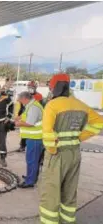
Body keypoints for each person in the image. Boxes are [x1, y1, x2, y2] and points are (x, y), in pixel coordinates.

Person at [39, 73, 103, 224]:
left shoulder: (52, 105)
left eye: (50, 86)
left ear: (55, 87)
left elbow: (47, 134)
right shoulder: (80, 105)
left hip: (57, 154)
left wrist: (52, 151)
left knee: (51, 193)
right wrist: (78, 137)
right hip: (74, 153)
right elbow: (99, 123)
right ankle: (68, 221)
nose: (49, 88)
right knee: (69, 190)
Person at [15, 91, 44, 188]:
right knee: (32, 159)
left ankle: (30, 181)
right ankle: (31, 176)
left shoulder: (34, 107)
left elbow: (30, 123)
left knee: (32, 160)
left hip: (35, 138)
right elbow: (26, 117)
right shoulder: (31, 105)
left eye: (20, 100)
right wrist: (19, 117)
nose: (20, 102)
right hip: (32, 138)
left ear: (25, 99)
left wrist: (18, 124)